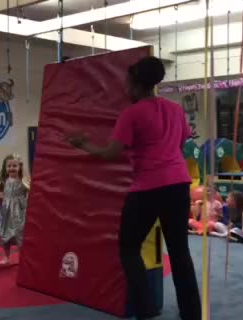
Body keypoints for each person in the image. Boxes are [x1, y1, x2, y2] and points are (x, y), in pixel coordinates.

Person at [66, 56, 201, 320]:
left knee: (128, 248)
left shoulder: (132, 113)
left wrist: (83, 145)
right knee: (180, 251)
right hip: (178, 184)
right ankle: (191, 314)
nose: (125, 89)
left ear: (136, 84)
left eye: (127, 84)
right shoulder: (175, 110)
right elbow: (182, 141)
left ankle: (147, 310)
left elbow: (110, 153)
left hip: (148, 187)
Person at [0, 154, 30, 265]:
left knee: (20, 234)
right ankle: (6, 257)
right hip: (6, 212)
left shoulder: (24, 181)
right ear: (5, 167)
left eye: (14, 165)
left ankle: (21, 257)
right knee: (4, 233)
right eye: (9, 166)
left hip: (20, 213)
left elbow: (31, 193)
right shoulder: (3, 181)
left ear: (20, 167)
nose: (11, 168)